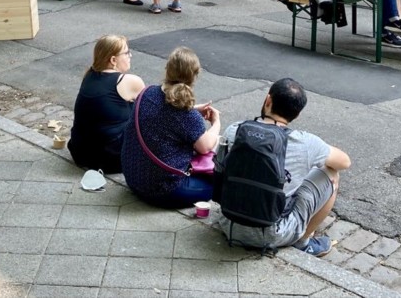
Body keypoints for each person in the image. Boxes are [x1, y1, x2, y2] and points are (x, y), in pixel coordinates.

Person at [216, 78, 351, 257]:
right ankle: (304, 242)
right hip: (273, 234)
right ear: (297, 115)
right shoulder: (305, 142)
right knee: (331, 174)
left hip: (228, 222)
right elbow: (345, 162)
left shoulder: (235, 130)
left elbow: (219, 170)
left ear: (268, 100)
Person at [121, 46, 220, 208]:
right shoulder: (185, 114)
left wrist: (195, 110)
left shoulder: (147, 93)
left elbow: (164, 113)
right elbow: (205, 146)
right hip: (163, 189)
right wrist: (216, 123)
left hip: (134, 179)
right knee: (218, 184)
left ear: (167, 69)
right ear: (194, 76)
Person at [67, 35, 146, 174]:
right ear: (113, 60)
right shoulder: (129, 81)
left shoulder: (89, 74)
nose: (130, 55)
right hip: (111, 158)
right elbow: (155, 109)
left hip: (80, 152)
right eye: (126, 53)